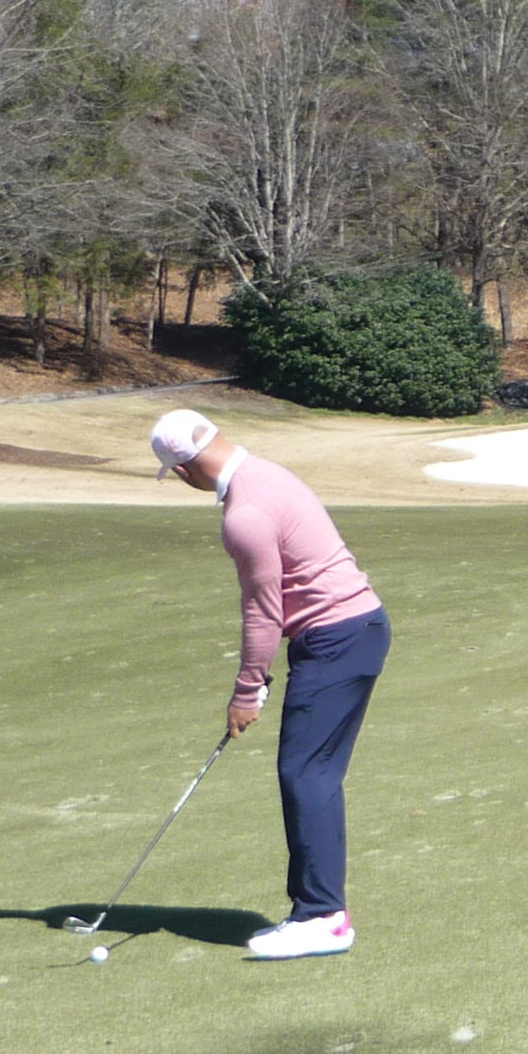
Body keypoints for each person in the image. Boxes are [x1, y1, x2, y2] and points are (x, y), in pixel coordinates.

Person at [149, 408, 388, 960]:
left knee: (306, 774)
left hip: (336, 639)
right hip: (354, 631)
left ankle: (321, 917)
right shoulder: (268, 473)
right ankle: (319, 912)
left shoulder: (245, 514)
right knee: (312, 772)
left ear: (183, 470)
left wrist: (246, 688)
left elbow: (263, 609)